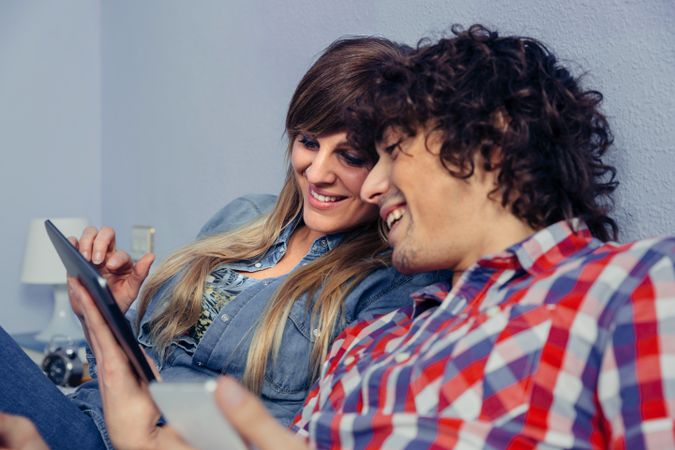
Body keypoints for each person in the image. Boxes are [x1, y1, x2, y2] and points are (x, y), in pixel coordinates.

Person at [5, 24, 673, 450]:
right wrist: (108, 328)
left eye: (385, 151)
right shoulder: (377, 342)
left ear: (485, 141)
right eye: (310, 143)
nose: (371, 184)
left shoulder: (629, 287)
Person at [0, 36, 448, 450]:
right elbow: (143, 375)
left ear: (389, 167)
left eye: (349, 156)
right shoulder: (243, 216)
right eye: (308, 142)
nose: (316, 172)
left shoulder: (390, 287)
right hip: (89, 418)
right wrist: (105, 316)